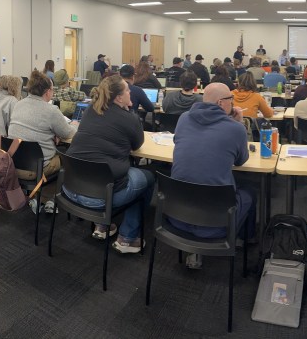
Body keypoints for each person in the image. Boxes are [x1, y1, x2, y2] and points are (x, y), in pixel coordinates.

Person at [170, 82, 256, 268]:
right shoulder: (236, 129)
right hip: (217, 223)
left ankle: (194, 248)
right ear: (221, 103)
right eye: (230, 99)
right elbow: (241, 160)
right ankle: (243, 239)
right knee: (250, 190)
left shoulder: (184, 118)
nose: (233, 102)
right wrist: (238, 123)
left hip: (177, 216)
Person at [64, 75, 154, 254]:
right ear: (119, 98)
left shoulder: (90, 110)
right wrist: (130, 111)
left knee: (101, 169)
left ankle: (102, 226)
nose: (130, 92)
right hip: (99, 198)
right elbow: (137, 144)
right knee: (147, 177)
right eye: (127, 90)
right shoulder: (129, 118)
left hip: (70, 188)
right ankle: (127, 238)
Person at [8, 70, 78, 213]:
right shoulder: (51, 110)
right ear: (47, 92)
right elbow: (69, 133)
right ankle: (49, 199)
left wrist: (51, 133)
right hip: (36, 169)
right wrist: (74, 125)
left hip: (14, 164)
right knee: (66, 157)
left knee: (50, 155)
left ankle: (39, 197)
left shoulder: (18, 104)